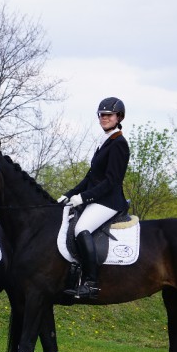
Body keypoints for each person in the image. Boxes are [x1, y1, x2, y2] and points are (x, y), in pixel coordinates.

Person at [59, 97, 130, 299]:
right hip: (98, 198)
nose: (104, 118)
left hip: (110, 201)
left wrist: (84, 198)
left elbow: (111, 181)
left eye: (108, 115)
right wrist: (70, 194)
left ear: (119, 117)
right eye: (101, 115)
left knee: (82, 228)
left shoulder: (119, 144)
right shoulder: (105, 142)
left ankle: (91, 283)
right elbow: (91, 177)